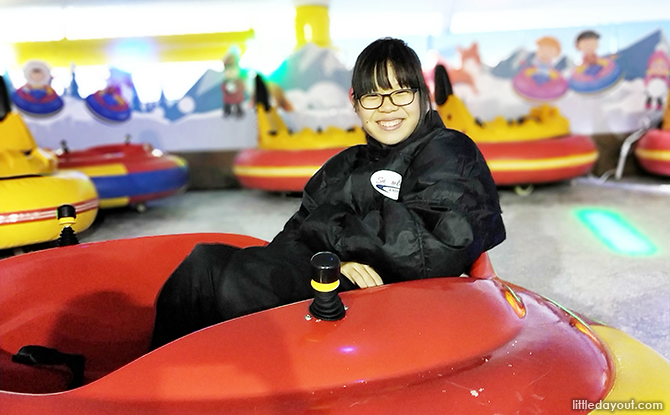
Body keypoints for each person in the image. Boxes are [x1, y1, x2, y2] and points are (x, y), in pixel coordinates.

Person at [149, 37, 506, 350]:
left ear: (422, 96)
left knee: (220, 281)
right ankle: (152, 380)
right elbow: (291, 237)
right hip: (338, 278)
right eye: (373, 96)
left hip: (398, 298)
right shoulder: (346, 164)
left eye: (400, 92)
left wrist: (329, 234)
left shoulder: (447, 150)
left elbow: (431, 245)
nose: (387, 107)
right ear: (355, 104)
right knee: (204, 264)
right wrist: (332, 256)